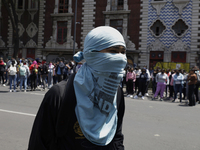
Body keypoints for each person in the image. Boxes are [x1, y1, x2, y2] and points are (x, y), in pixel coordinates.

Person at [28, 26, 126, 150]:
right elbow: (39, 144)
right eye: (113, 51)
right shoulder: (59, 94)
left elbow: (117, 136)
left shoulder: (116, 92)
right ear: (91, 53)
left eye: (123, 52)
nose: (121, 57)